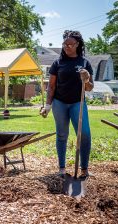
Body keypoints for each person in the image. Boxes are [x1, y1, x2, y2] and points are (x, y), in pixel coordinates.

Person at [40, 30, 94, 178]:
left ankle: (84, 169)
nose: (67, 47)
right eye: (65, 44)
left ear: (77, 44)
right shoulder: (58, 63)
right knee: (62, 135)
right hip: (60, 103)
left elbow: (89, 88)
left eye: (70, 44)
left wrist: (87, 78)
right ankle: (62, 169)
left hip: (78, 102)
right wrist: (48, 105)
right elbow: (51, 86)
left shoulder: (84, 63)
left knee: (84, 134)